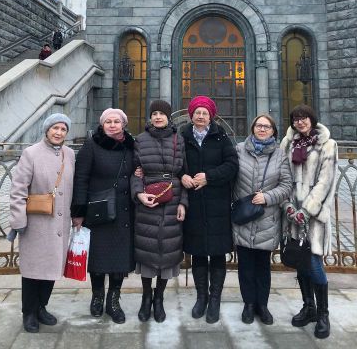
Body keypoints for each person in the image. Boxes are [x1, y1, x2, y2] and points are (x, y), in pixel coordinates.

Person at [8, 113, 75, 333]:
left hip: (60, 223)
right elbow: (18, 189)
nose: (59, 133)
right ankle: (29, 312)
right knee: (33, 270)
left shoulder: (69, 154)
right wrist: (19, 220)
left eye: (63, 129)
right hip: (36, 223)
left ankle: (41, 307)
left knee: (52, 268)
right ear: (47, 130)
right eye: (55, 128)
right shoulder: (31, 153)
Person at [71, 108, 135, 324]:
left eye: (117, 121)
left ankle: (113, 301)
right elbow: (80, 179)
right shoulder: (92, 145)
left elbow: (137, 170)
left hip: (124, 211)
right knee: (98, 258)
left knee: (120, 259)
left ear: (123, 124)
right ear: (102, 124)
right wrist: (78, 212)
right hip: (98, 211)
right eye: (108, 121)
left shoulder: (131, 145)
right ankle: (97, 296)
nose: (113, 125)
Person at [280, 105, 338, 339]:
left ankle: (323, 314)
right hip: (293, 215)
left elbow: (326, 181)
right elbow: (283, 176)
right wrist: (289, 206)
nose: (300, 122)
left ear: (312, 120)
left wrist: (307, 209)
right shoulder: (288, 144)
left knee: (314, 264)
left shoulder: (327, 145)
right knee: (301, 263)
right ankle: (309, 307)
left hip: (313, 216)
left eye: (304, 118)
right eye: (296, 119)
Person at [181, 96, 238, 324]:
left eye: (205, 113)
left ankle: (215, 300)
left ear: (211, 116)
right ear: (191, 115)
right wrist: (182, 176)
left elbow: (232, 165)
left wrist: (209, 177)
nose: (201, 116)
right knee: (197, 254)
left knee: (217, 254)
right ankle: (201, 297)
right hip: (193, 204)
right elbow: (175, 163)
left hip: (217, 205)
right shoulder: (182, 137)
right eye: (197, 112)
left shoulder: (221, 137)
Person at [131, 100, 187, 323]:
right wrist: (139, 194)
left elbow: (184, 173)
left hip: (173, 199)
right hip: (148, 200)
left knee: (168, 250)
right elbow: (134, 173)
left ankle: (159, 298)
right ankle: (146, 297)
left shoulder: (178, 140)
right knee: (147, 248)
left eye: (161, 113)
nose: (157, 117)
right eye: (154, 113)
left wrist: (183, 203)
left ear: (168, 117)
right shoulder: (140, 140)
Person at [233, 114, 292, 325]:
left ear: (273, 131)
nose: (262, 129)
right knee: (245, 266)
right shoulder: (239, 150)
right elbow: (229, 176)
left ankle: (262, 305)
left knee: (263, 267)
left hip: (267, 219)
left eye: (266, 126)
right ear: (252, 128)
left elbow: (286, 185)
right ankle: (248, 304)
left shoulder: (280, 155)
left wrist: (267, 197)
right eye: (258, 125)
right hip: (244, 217)